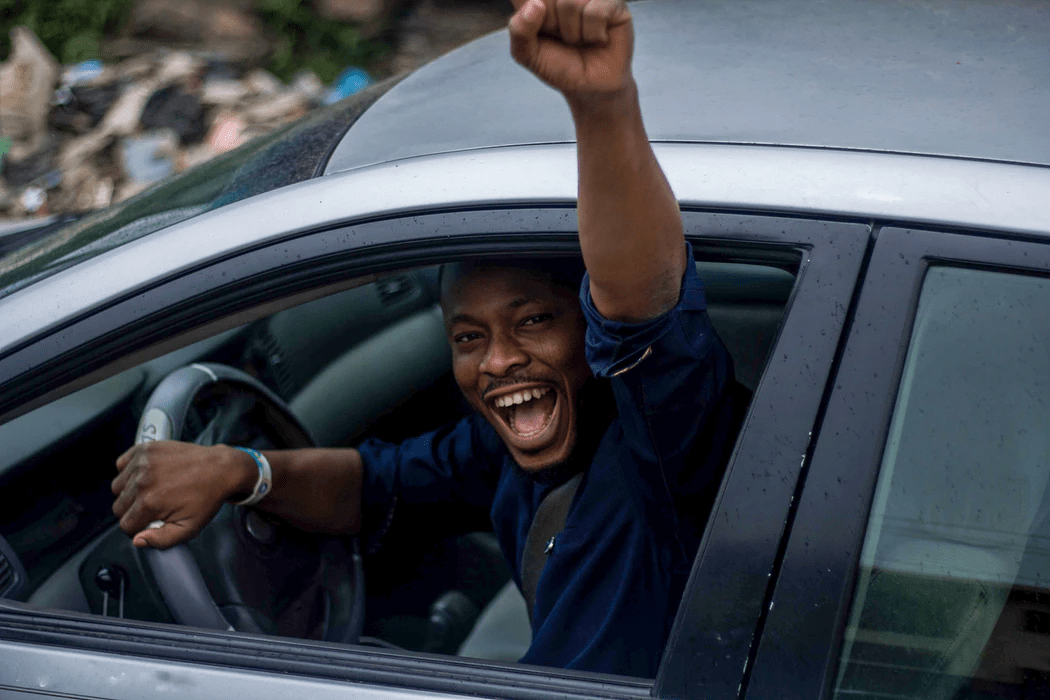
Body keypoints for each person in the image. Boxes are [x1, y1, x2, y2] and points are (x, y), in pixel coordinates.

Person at [111, 0, 741, 678]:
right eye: (469, 337)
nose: (498, 361)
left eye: (533, 322)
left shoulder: (662, 445)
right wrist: (242, 472)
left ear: (589, 325)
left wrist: (603, 105)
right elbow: (380, 486)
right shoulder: (514, 443)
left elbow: (643, 305)